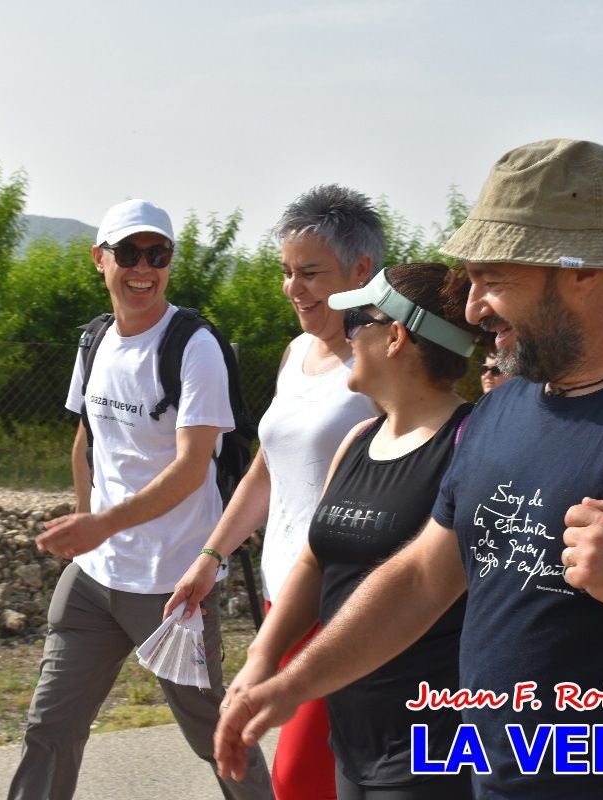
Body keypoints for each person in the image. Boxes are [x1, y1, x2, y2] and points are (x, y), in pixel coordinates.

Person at [215, 139, 603, 799]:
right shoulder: (502, 409)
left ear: (583, 271)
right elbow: (424, 580)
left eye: (495, 279)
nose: (472, 309)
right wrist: (295, 682)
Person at [7, 199, 271, 800]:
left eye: (158, 255)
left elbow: (190, 466)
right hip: (95, 583)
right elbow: (86, 438)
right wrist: (85, 522)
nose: (143, 268)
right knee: (50, 726)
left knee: (216, 736)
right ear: (101, 260)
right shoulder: (96, 340)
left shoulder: (194, 346)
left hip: (173, 587)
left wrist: (100, 524)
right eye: (129, 253)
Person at [225, 263, 487, 799]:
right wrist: (262, 658)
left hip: (431, 755)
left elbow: (421, 584)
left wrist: (291, 682)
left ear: (396, 336)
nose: (344, 338)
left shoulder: (472, 449)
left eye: (354, 324)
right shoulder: (358, 440)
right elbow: (313, 562)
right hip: (351, 741)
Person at [164, 184, 383, 799]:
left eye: (311, 274)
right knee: (335, 779)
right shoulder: (297, 353)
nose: (294, 289)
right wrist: (211, 557)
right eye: (287, 273)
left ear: (362, 271)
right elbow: (267, 469)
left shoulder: (383, 361)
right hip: (280, 601)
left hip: (343, 605)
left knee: (296, 781)